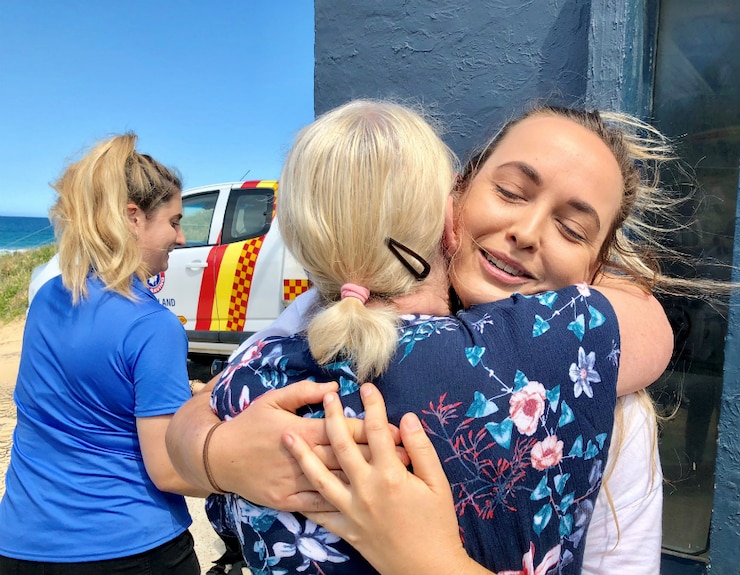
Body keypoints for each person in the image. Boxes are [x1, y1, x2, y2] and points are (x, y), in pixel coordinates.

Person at [196, 100, 669, 574]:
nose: (527, 233)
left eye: (572, 229)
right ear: (453, 197)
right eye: (509, 192)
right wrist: (219, 454)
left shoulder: (616, 404)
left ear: (597, 268)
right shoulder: (333, 313)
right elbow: (172, 445)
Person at [0, 133, 209, 574]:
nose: (181, 236)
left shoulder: (49, 297)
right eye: (173, 221)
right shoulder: (152, 325)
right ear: (134, 217)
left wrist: (185, 395)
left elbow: (86, 395)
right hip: (128, 547)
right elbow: (169, 471)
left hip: (22, 542)